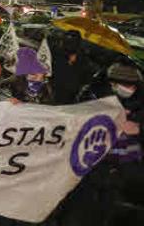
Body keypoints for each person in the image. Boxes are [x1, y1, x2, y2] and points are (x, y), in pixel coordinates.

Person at [59, 62, 144, 226]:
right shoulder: (91, 95)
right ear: (112, 83)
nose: (129, 89)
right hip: (85, 168)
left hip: (119, 173)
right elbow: (72, 117)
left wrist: (138, 128)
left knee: (102, 212)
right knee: (76, 213)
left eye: (132, 85)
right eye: (124, 84)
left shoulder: (139, 104)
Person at [51, 30, 97, 105]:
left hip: (72, 88)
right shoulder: (59, 53)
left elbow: (86, 74)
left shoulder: (82, 56)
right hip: (62, 87)